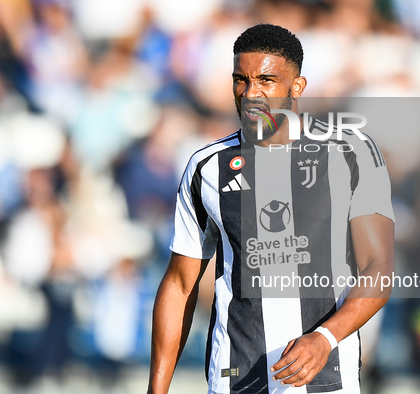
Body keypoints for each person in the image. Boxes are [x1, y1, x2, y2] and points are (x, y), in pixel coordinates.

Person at [148, 24, 395, 394]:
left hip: (326, 376)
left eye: (266, 80)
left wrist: (325, 338)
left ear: (297, 86)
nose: (251, 93)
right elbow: (180, 284)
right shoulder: (207, 166)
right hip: (237, 376)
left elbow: (378, 269)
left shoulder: (351, 152)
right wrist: (157, 388)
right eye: (241, 80)